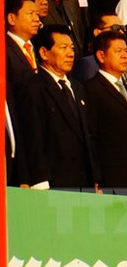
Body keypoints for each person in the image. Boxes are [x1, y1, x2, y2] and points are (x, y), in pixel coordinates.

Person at [18, 25, 98, 190]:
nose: (70, 53)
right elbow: (33, 137)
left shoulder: (77, 87)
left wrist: (95, 177)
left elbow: (87, 136)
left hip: (84, 182)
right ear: (43, 53)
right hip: (54, 182)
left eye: (72, 48)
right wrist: (39, 181)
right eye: (63, 48)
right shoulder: (32, 87)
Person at [83, 30, 127, 196]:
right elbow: (91, 137)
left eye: (126, 51)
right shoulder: (91, 89)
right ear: (101, 55)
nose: (124, 56)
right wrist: (96, 178)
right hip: (111, 182)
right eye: (118, 51)